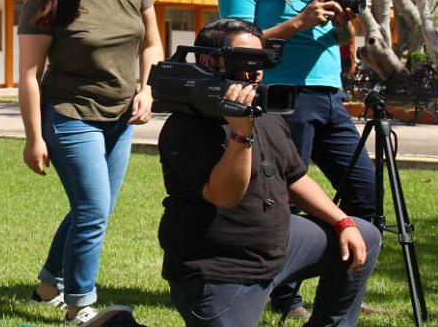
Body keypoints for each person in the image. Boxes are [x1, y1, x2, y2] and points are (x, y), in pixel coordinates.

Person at [217, 0, 377, 318]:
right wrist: (300, 21)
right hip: (281, 99)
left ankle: (341, 286)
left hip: (328, 93)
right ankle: (286, 298)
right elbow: (235, 47)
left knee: (367, 193)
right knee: (283, 200)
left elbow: (343, 38)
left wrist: (344, 26)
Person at [158, 18, 380, 326]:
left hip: (279, 243)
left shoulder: (266, 112)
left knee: (364, 235)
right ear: (209, 61)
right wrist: (240, 135)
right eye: (246, 60)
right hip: (220, 267)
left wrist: (341, 222)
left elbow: (295, 178)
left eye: (261, 60)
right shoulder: (186, 126)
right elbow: (224, 196)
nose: (256, 71)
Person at [18, 0, 164, 325]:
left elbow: (151, 44)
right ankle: (79, 304)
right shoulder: (46, 5)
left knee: (93, 208)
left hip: (120, 115)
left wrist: (147, 89)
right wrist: (33, 138)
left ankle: (48, 285)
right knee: (94, 209)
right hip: (70, 114)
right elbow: (29, 75)